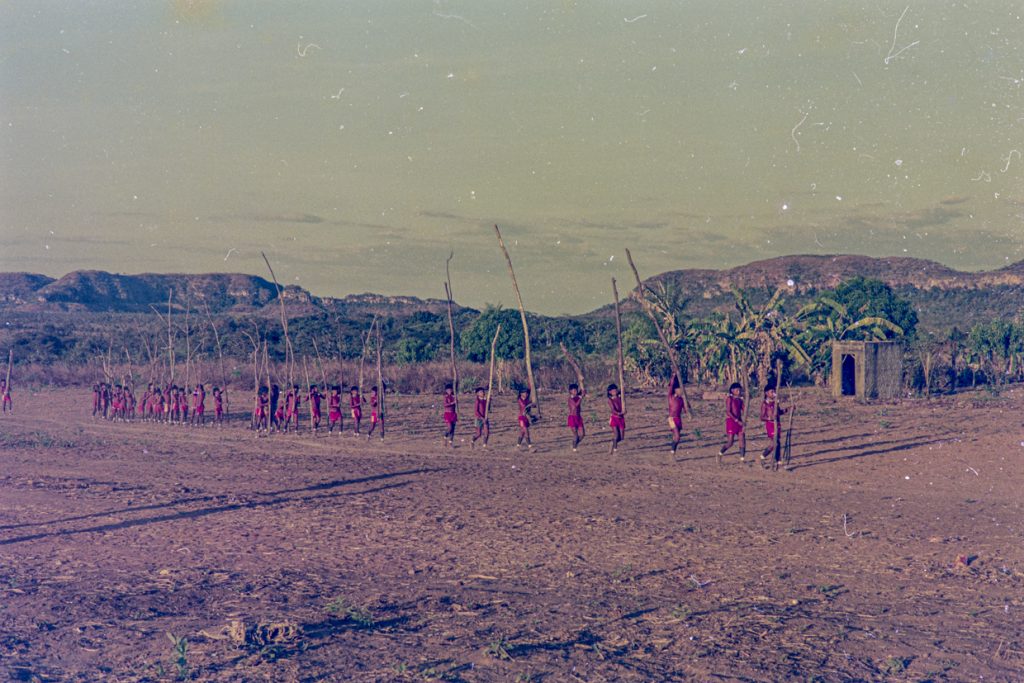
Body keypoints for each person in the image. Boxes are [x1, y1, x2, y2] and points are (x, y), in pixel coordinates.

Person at [718, 382, 746, 460]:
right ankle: (720, 453)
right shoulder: (729, 399)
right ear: (732, 390)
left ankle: (742, 459)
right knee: (730, 442)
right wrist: (736, 420)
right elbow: (728, 412)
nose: (739, 392)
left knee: (742, 438)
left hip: (739, 421)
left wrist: (745, 403)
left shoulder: (740, 400)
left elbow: (744, 409)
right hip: (731, 421)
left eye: (740, 390)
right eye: (737, 390)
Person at [760, 383, 785, 464]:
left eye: (774, 391)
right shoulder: (765, 404)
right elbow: (762, 417)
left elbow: (779, 412)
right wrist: (769, 418)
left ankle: (778, 462)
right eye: (772, 392)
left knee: (777, 443)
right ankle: (762, 457)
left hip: (777, 424)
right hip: (770, 425)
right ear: (766, 393)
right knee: (774, 443)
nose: (773, 393)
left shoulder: (775, 402)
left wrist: (789, 409)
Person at [667, 374, 686, 454]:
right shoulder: (671, 397)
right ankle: (672, 452)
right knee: (677, 437)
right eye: (679, 389)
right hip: (672, 419)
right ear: (676, 390)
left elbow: (686, 410)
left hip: (678, 419)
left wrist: (687, 404)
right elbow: (671, 385)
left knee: (675, 437)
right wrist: (673, 376)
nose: (681, 391)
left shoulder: (681, 399)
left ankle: (673, 451)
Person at [607, 383, 626, 453]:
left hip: (621, 418)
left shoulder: (620, 398)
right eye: (613, 391)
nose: (615, 391)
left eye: (615, 390)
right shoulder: (610, 400)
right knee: (616, 434)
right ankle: (615, 449)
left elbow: (623, 405)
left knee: (621, 437)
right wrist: (619, 413)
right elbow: (613, 410)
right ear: (610, 392)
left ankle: (612, 443)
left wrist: (623, 411)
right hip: (614, 418)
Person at [566, 383, 585, 451]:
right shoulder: (570, 399)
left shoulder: (578, 396)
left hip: (578, 417)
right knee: (576, 435)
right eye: (573, 391)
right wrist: (581, 397)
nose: (575, 392)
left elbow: (583, 392)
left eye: (576, 390)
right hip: (572, 418)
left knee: (582, 434)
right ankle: (574, 448)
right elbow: (575, 405)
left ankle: (574, 444)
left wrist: (582, 386)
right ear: (570, 391)